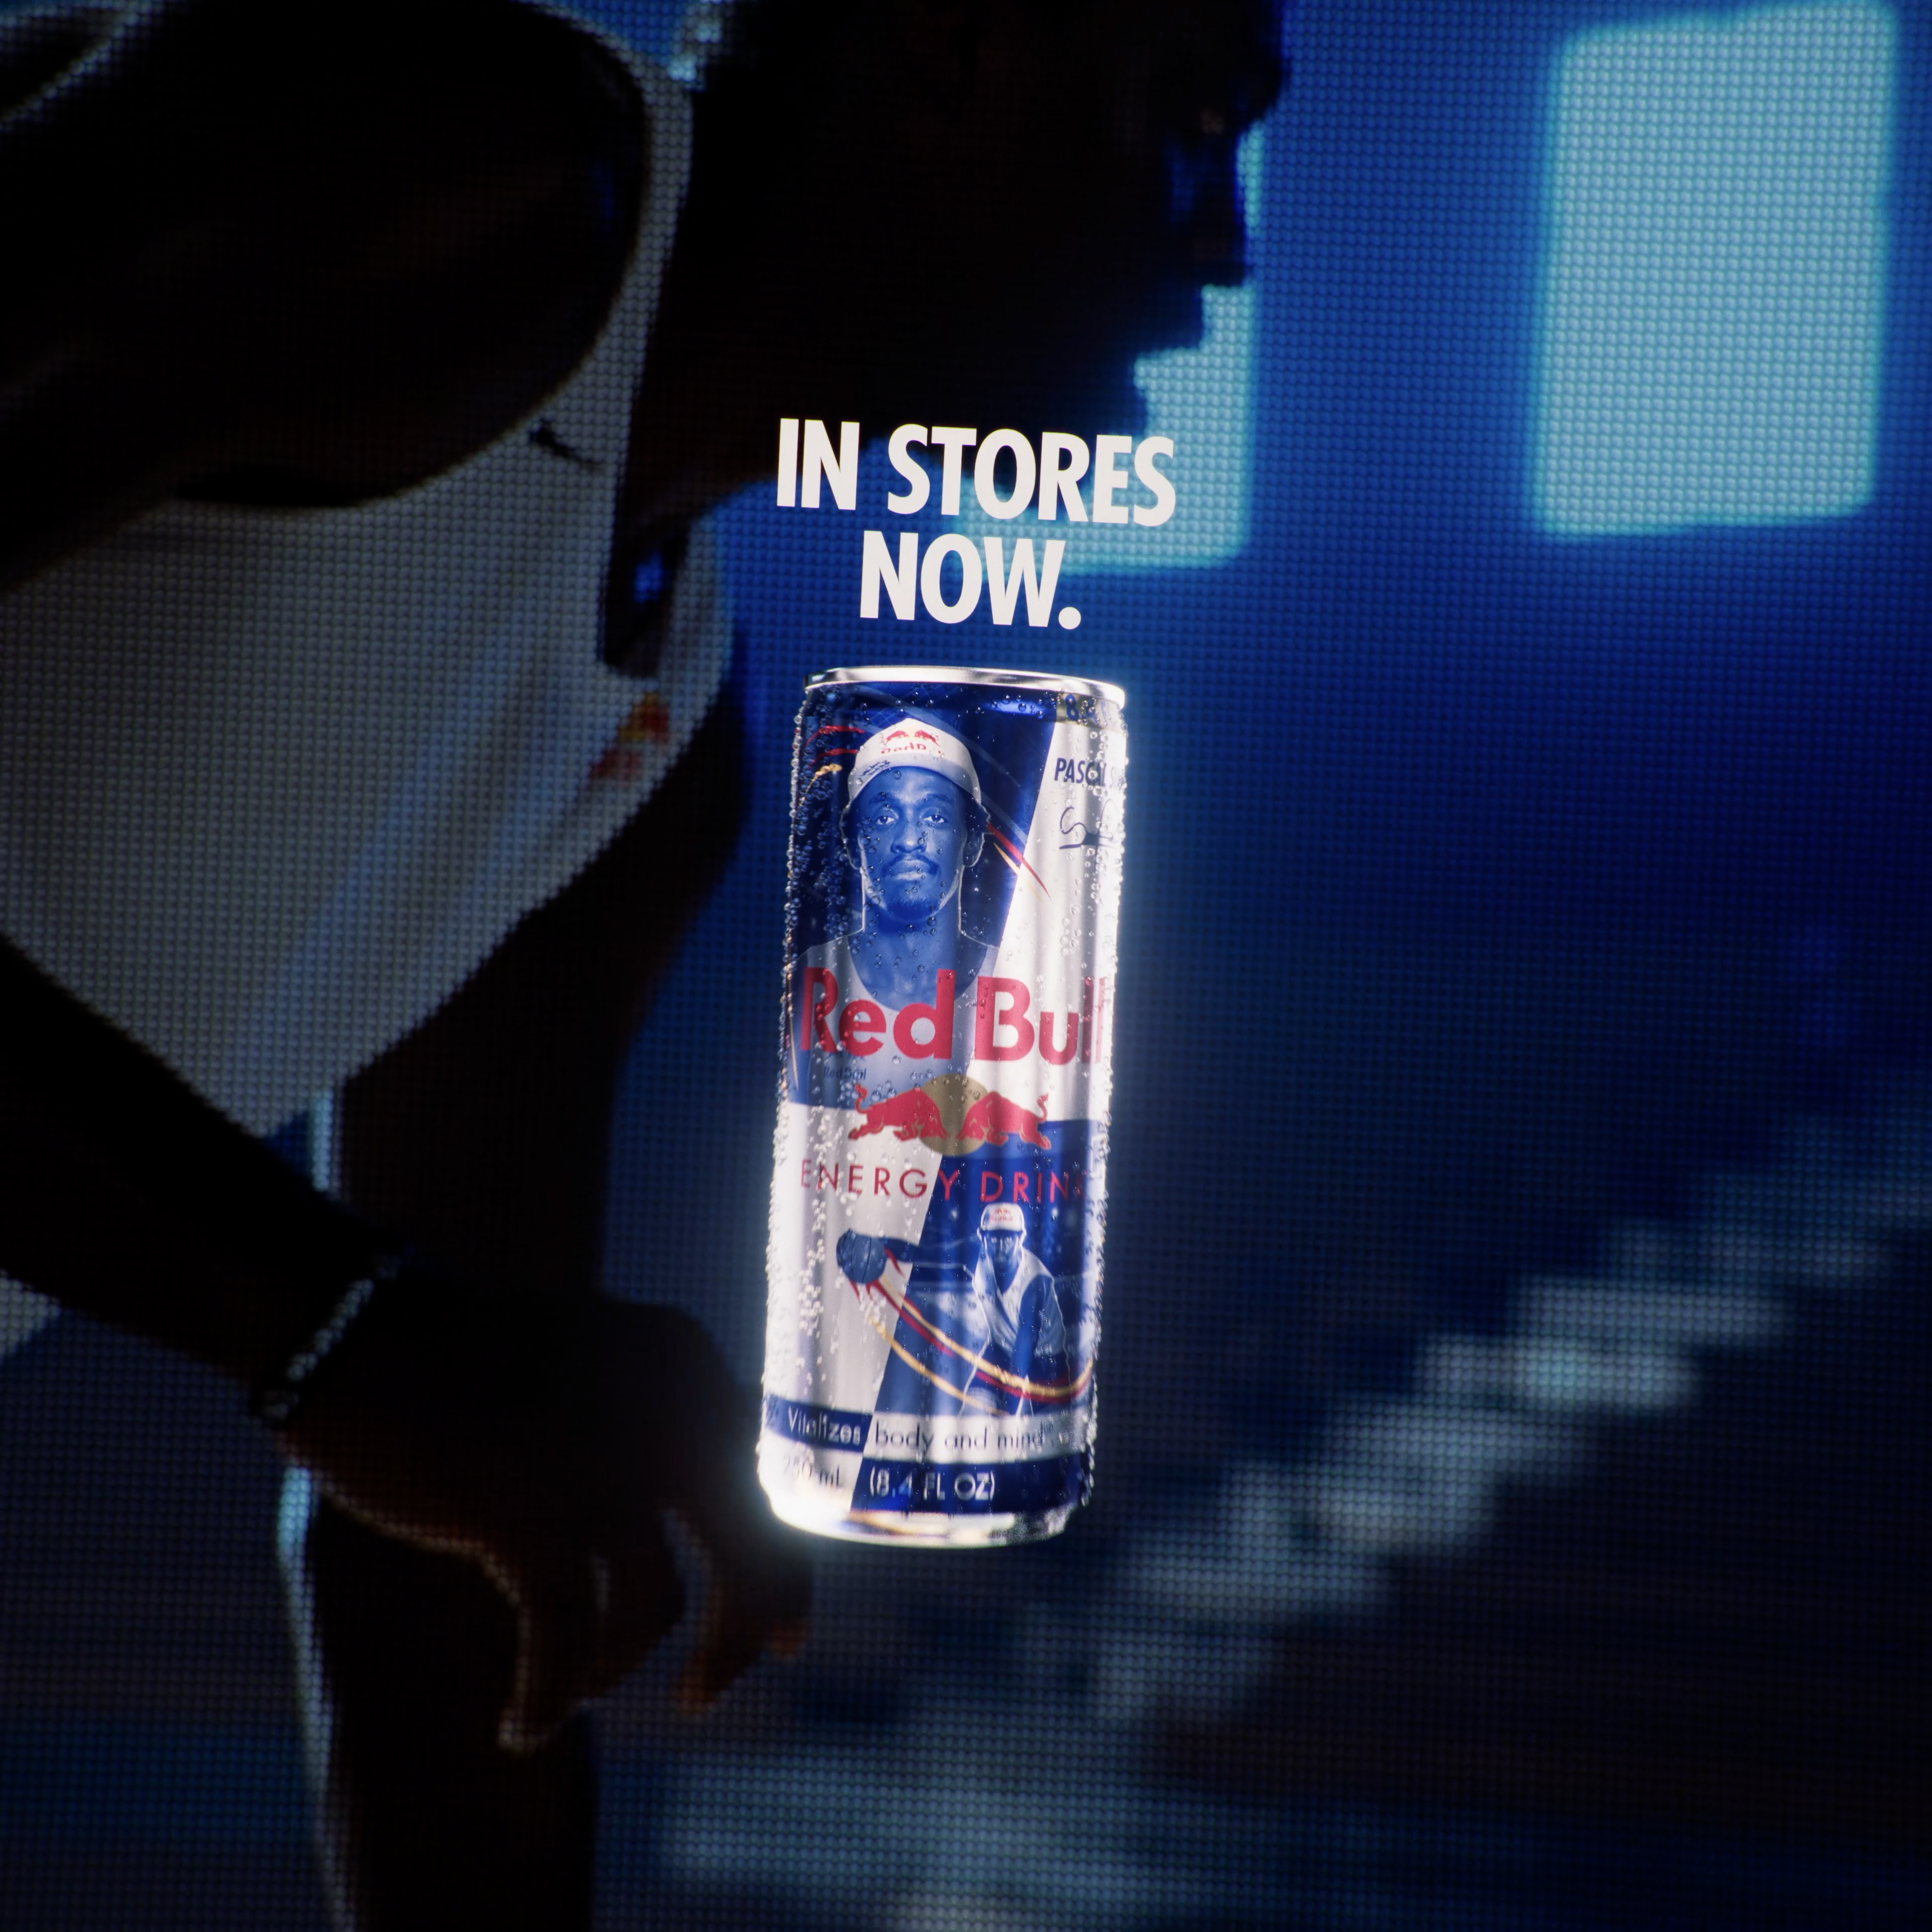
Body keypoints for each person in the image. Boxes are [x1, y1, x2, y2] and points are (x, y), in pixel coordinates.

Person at [0, 0, 1285, 1923]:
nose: (1227, 243)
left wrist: (402, 1367)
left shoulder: (660, 745)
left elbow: (451, 1538)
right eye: (1191, 113)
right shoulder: (443, 162)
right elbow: (386, 1357)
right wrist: (329, 1327)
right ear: (957, 50)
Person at [800, 717, 991, 1105]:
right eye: (885, 818)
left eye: (935, 817)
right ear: (854, 845)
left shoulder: (1014, 980)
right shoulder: (810, 977)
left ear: (972, 842)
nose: (908, 840)